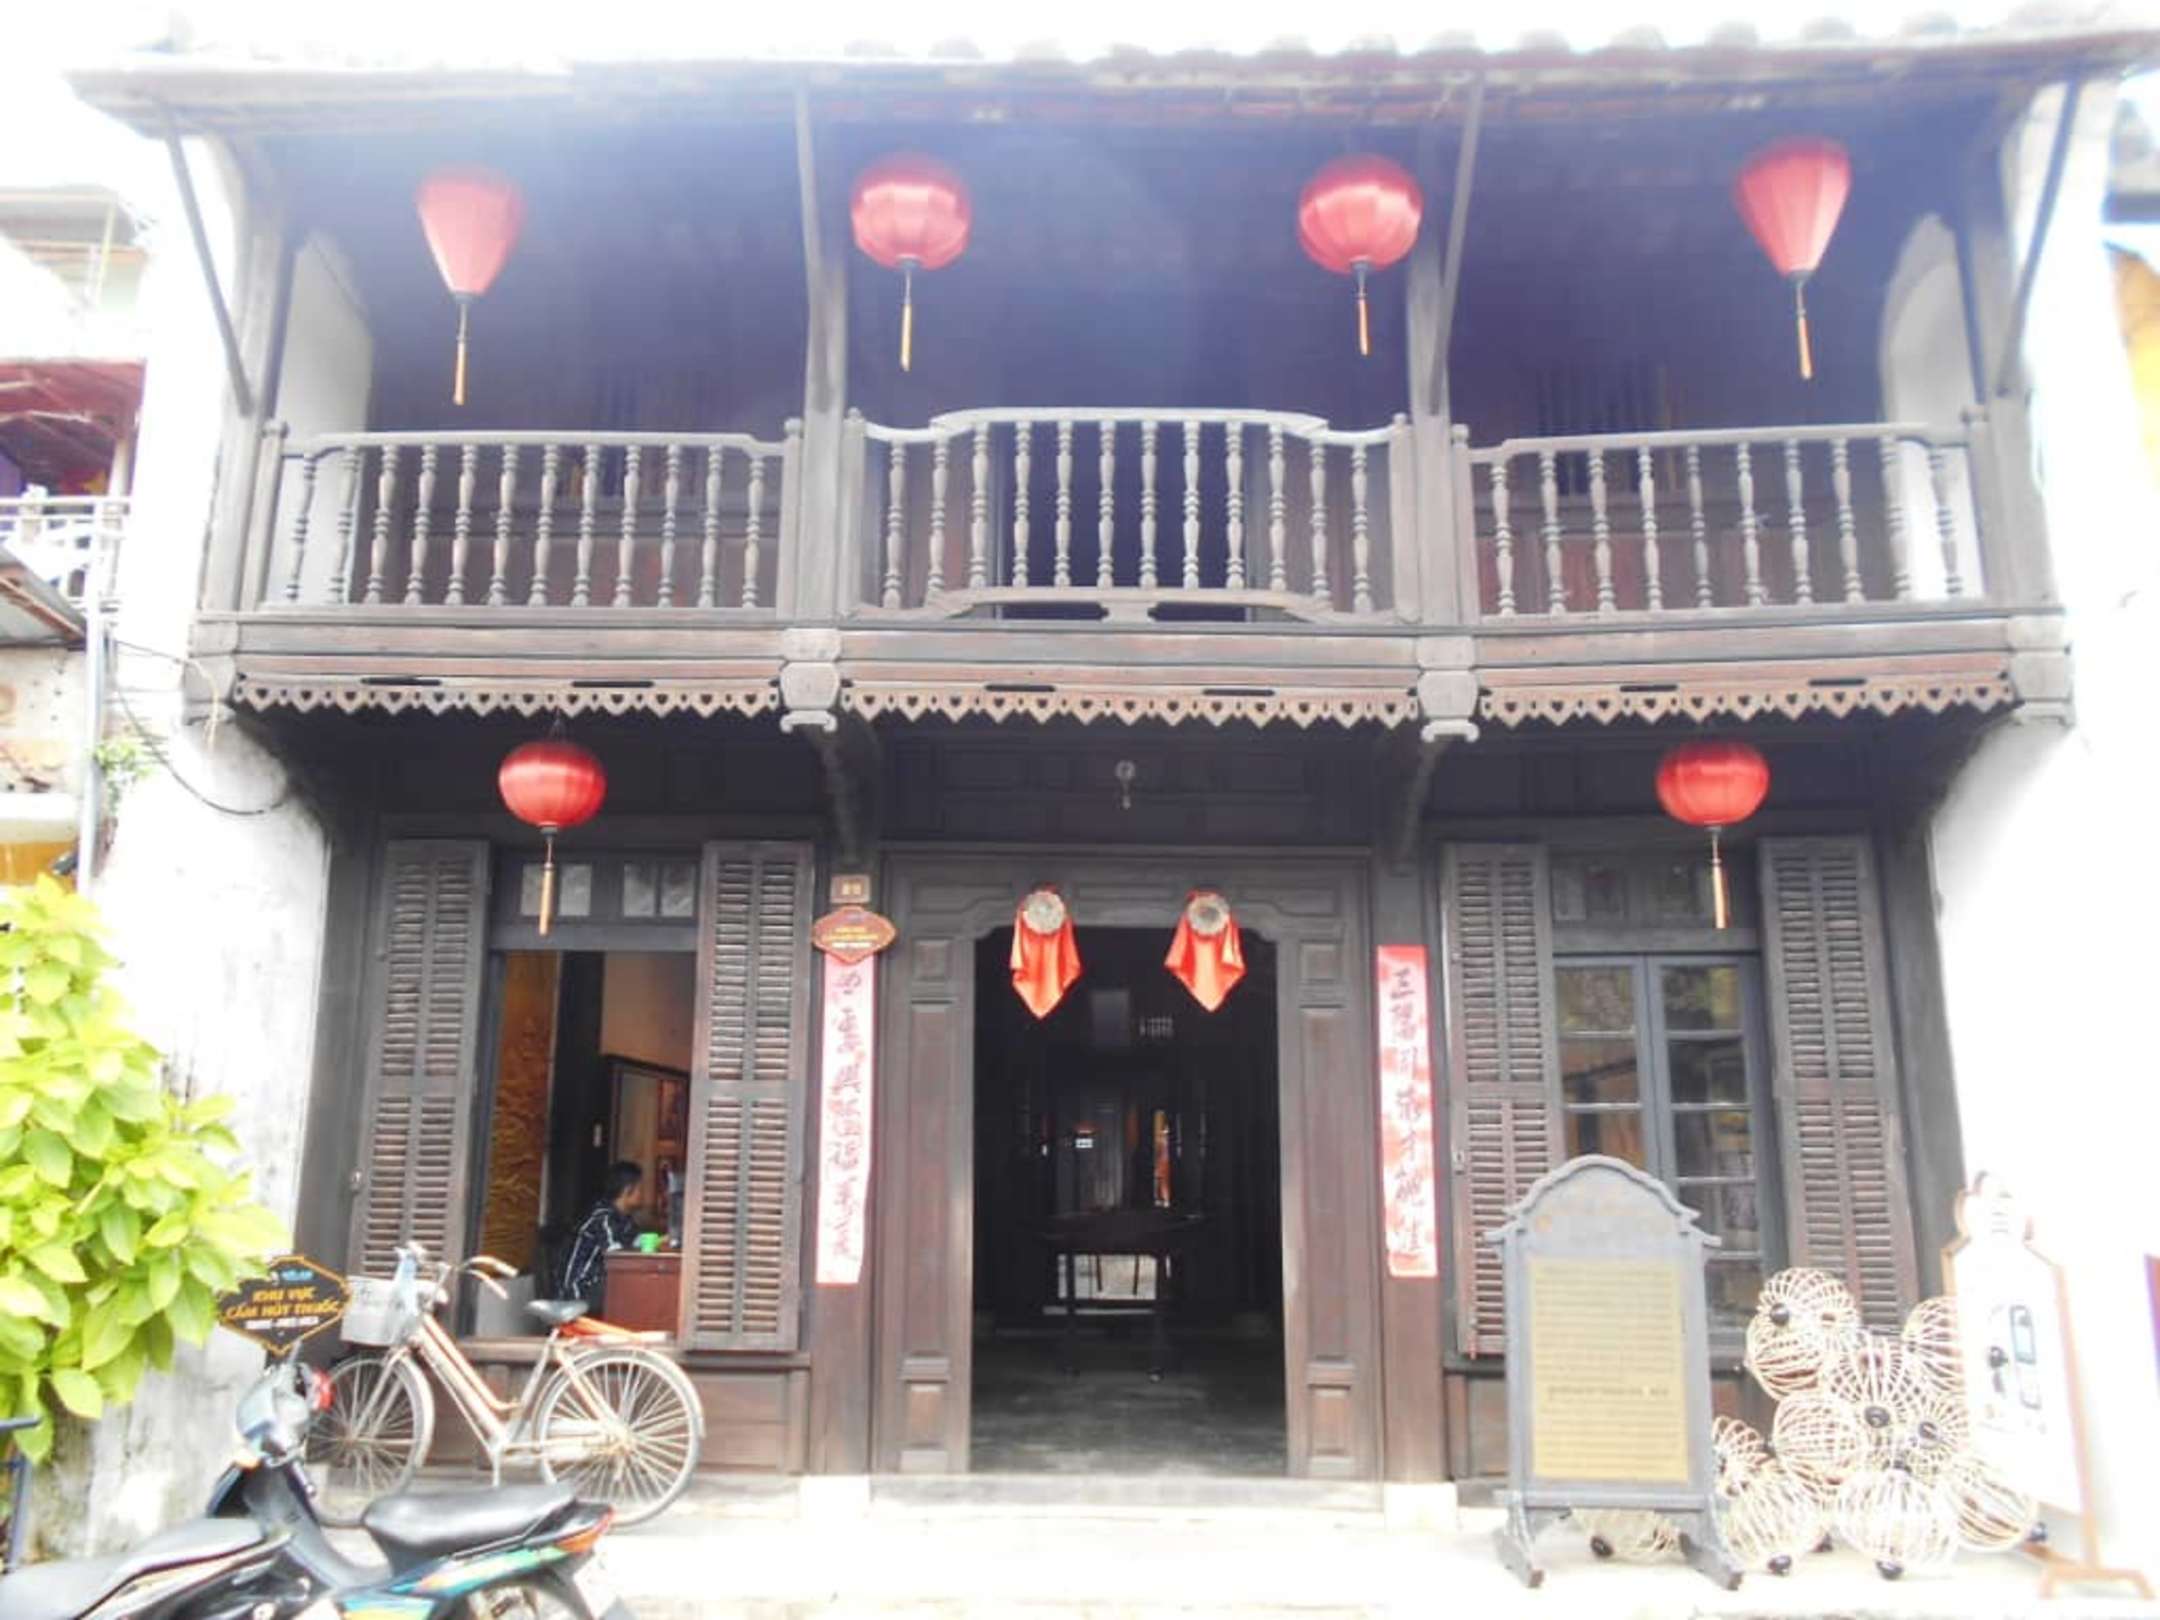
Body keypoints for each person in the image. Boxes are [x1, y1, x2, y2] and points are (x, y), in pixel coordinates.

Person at [558, 1160, 643, 1310]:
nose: (641, 1194)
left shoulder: (626, 1219)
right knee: (634, 1290)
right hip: (580, 1289)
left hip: (597, 1284)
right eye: (639, 1189)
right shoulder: (603, 1217)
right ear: (627, 1190)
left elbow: (635, 1244)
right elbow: (616, 1256)